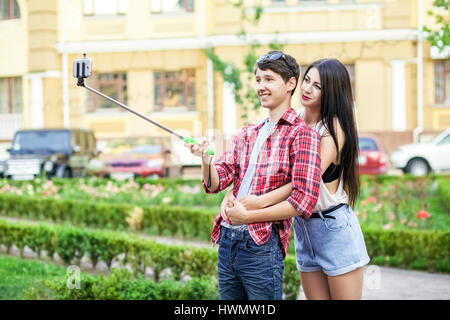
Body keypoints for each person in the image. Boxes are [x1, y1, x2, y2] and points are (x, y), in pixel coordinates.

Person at [224, 58, 370, 300]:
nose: (307, 89)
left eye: (318, 86)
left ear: (332, 92)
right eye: (307, 81)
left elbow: (305, 181)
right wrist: (234, 192)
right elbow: (265, 168)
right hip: (304, 229)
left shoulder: (332, 128)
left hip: (333, 228)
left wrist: (258, 202)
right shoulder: (294, 121)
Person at [185, 51, 322, 300]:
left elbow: (304, 201)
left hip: (261, 243)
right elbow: (216, 183)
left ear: (290, 83)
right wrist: (205, 159)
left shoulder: (303, 135)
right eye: (258, 80)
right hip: (227, 239)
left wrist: (248, 216)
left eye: (269, 79)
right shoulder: (248, 132)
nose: (261, 86)